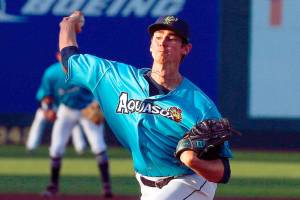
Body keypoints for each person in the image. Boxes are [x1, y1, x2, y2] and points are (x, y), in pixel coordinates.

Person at [58, 11, 233, 200]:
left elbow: (223, 172)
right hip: (147, 184)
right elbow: (70, 60)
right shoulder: (116, 79)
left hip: (190, 181)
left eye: (171, 38)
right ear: (150, 45)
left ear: (185, 49)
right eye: (157, 37)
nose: (162, 42)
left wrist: (194, 161)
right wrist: (68, 24)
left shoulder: (200, 106)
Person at [40, 52, 113, 198]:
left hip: (87, 109)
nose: (66, 59)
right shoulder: (52, 73)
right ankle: (53, 186)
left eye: (69, 56)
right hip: (66, 109)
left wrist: (99, 105)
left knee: (98, 146)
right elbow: (46, 94)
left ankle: (106, 186)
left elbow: (100, 89)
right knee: (56, 148)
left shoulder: (83, 71)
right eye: (63, 56)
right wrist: (47, 109)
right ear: (58, 56)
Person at [26, 67, 87, 154]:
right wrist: (47, 110)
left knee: (73, 118)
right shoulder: (52, 76)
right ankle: (31, 146)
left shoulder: (78, 74)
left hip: (69, 107)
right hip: (54, 106)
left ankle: (81, 147)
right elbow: (44, 97)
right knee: (40, 116)